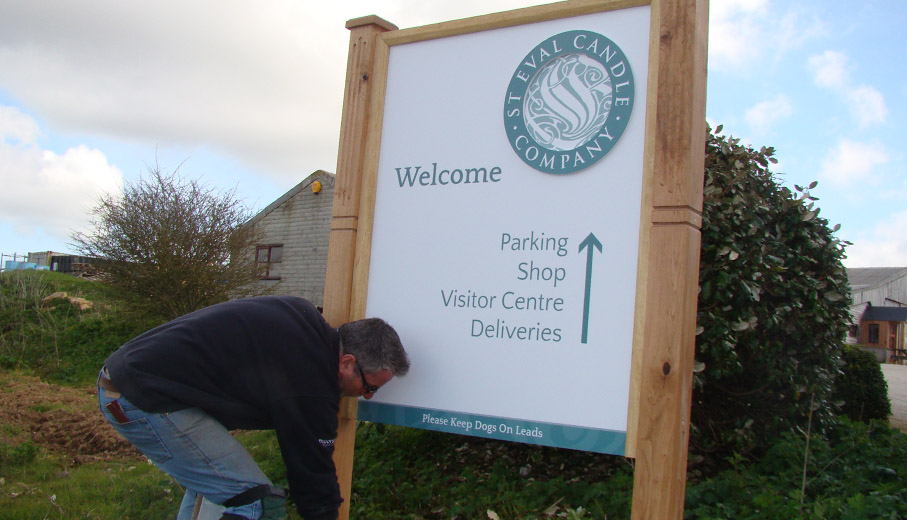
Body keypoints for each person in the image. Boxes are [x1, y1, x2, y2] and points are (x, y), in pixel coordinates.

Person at [97, 295, 409, 520]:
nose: (368, 396)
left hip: (134, 376)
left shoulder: (303, 317)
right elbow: (313, 480)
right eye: (370, 387)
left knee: (220, 492)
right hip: (145, 397)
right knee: (256, 503)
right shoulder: (309, 382)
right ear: (347, 363)